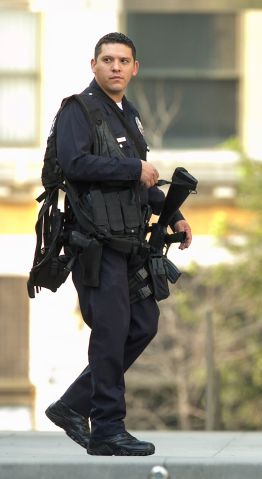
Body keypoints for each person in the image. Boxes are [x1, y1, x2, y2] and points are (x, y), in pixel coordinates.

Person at [44, 32, 192, 456]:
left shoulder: (129, 114)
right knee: (110, 332)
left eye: (123, 61)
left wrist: (173, 214)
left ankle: (72, 405)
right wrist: (132, 169)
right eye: (107, 60)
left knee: (143, 324)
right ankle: (107, 427)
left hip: (129, 244)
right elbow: (75, 163)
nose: (115, 67)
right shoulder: (79, 110)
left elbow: (143, 183)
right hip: (93, 243)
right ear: (94, 66)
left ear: (134, 68)